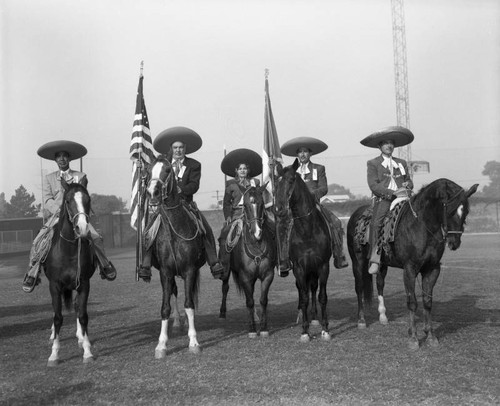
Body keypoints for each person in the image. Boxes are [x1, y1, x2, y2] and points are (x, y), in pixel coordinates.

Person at [22, 140, 117, 293]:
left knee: (96, 237)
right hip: (57, 216)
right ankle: (32, 273)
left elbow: (83, 195)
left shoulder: (80, 176)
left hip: (77, 214)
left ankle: (105, 265)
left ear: (69, 159)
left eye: (65, 156)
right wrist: (59, 210)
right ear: (55, 160)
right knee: (38, 241)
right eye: (58, 156)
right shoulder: (49, 178)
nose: (62, 159)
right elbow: (47, 199)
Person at [138, 126, 224, 281]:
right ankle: (146, 263)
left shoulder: (194, 165)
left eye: (181, 147)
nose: (178, 150)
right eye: (175, 147)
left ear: (186, 149)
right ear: (171, 149)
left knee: (205, 228)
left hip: (186, 204)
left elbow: (194, 185)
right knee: (149, 229)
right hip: (165, 205)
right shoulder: (163, 164)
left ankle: (213, 261)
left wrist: (179, 189)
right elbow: (154, 180)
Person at [280, 136, 349, 269]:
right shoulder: (290, 170)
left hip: (313, 205)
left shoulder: (319, 168)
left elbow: (324, 188)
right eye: (300, 152)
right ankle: (284, 260)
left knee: (335, 222)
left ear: (310, 154)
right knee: (282, 226)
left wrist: (310, 195)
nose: (303, 154)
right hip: (293, 208)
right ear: (297, 154)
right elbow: (283, 187)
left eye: (305, 151)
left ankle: (338, 255)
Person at [360, 126, 414, 275]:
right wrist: (392, 193)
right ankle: (375, 259)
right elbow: (373, 185)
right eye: (385, 143)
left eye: (391, 143)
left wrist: (407, 185)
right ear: (379, 146)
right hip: (384, 199)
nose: (389, 146)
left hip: (404, 197)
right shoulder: (373, 163)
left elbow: (409, 181)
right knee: (376, 223)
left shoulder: (401, 162)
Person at [218, 148, 262, 275]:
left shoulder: (256, 182)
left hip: (253, 214)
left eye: (245, 168)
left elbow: (259, 198)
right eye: (240, 169)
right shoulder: (230, 184)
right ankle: (222, 264)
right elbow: (226, 203)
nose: (243, 170)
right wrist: (228, 217)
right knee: (224, 234)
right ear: (236, 171)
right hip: (237, 215)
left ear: (248, 170)